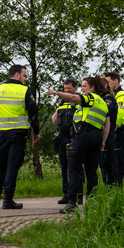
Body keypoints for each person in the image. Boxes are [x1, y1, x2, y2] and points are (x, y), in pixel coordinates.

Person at [46, 76, 110, 213]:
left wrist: (56, 93)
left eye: (84, 85)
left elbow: (75, 99)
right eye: (82, 86)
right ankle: (93, 202)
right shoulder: (103, 103)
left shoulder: (90, 97)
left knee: (73, 168)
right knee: (91, 171)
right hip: (96, 137)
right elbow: (107, 125)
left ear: (92, 87)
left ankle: (72, 202)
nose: (82, 88)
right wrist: (103, 142)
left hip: (83, 136)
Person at [0, 64, 40, 209]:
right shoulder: (25, 91)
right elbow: (33, 114)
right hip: (19, 135)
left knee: (0, 165)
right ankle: (8, 199)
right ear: (16, 75)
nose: (26, 79)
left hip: (2, 135)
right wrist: (36, 131)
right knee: (13, 166)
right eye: (25, 75)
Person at [51, 78, 77, 205]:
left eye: (69, 88)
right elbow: (54, 120)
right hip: (61, 139)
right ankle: (66, 194)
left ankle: (76, 195)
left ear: (75, 89)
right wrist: (59, 109)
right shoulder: (61, 103)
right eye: (65, 88)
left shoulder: (78, 102)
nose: (67, 91)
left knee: (74, 168)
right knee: (64, 168)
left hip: (73, 138)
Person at [105, 72, 124, 186]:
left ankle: (122, 186)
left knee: (119, 162)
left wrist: (110, 130)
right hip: (116, 132)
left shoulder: (121, 96)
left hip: (120, 132)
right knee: (115, 161)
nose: (107, 84)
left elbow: (119, 116)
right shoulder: (115, 96)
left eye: (109, 81)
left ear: (116, 81)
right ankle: (117, 185)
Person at [99, 77, 118, 185]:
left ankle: (111, 185)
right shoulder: (101, 98)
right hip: (103, 133)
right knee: (102, 162)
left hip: (108, 134)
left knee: (108, 162)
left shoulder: (108, 99)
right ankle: (107, 183)